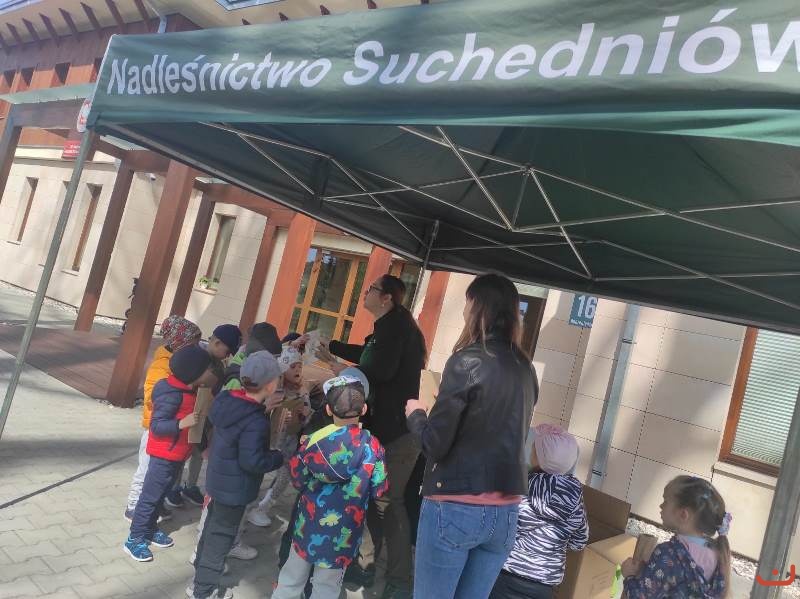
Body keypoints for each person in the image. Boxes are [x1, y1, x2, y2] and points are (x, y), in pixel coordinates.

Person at [405, 273, 538, 599]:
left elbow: (434, 444)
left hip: (456, 505)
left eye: (467, 303)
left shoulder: (467, 360)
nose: (464, 311)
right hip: (505, 512)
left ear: (478, 306)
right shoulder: (525, 367)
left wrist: (416, 415)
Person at [316, 274, 426, 598]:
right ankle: (364, 565)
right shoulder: (390, 326)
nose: (366, 292)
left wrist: (344, 371)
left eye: (371, 289)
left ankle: (398, 581)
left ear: (386, 297)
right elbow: (369, 355)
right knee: (371, 500)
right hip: (386, 431)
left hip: (396, 434)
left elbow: (380, 369)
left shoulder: (395, 328)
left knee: (389, 505)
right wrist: (334, 348)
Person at [271, 373, 388, 599]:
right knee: (327, 588)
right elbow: (380, 489)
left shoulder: (314, 441)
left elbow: (297, 479)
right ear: (364, 409)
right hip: (343, 535)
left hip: (307, 527)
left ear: (328, 409)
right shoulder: (373, 447)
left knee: (291, 580)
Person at [188, 351, 285, 599]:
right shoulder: (256, 421)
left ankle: (199, 577)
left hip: (218, 481)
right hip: (235, 490)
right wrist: (278, 456)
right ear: (270, 385)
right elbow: (253, 461)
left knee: (210, 530)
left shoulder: (227, 400)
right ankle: (203, 590)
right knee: (220, 538)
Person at [123, 345, 218, 562]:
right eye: (207, 369)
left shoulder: (192, 391)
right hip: (163, 455)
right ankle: (134, 538)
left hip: (178, 455)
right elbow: (157, 426)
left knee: (161, 495)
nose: (211, 373)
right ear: (194, 372)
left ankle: (149, 529)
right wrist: (181, 423)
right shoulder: (171, 394)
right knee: (149, 498)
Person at [490, 424, 587, 599]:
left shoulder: (520, 487)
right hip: (544, 585)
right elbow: (579, 542)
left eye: (535, 448)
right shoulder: (574, 499)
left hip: (505, 574)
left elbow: (498, 526)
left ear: (538, 457)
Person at [124, 315, 202, 522]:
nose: (195, 348)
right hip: (156, 426)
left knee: (162, 475)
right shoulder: (162, 366)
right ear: (180, 342)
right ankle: (133, 505)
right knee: (146, 469)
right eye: (193, 343)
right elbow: (153, 396)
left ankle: (154, 506)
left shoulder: (180, 364)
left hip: (173, 427)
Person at [167, 324, 242, 509]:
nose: (227, 356)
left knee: (198, 452)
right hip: (188, 413)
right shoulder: (195, 358)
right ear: (217, 343)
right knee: (182, 451)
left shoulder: (219, 364)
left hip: (205, 415)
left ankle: (190, 486)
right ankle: (173, 487)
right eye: (227, 351)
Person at [248, 345, 322, 527]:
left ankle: (263, 507)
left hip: (289, 444)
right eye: (292, 366)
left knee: (285, 474)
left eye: (299, 366)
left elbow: (305, 421)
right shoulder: (273, 390)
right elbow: (259, 412)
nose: (297, 370)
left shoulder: (302, 391)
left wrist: (305, 414)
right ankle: (249, 503)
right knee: (256, 472)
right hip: (267, 440)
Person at [622, 476, 731, 598]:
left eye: (665, 501)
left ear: (683, 515)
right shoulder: (716, 553)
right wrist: (649, 570)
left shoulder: (667, 553)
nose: (661, 506)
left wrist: (629, 575)